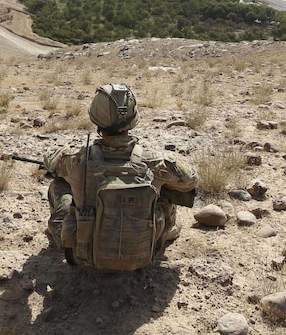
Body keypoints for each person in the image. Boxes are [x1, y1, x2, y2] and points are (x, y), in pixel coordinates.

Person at [44, 83, 198, 271]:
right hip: (145, 254)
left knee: (59, 183)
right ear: (133, 119)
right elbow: (191, 180)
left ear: (95, 117)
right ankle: (163, 233)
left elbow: (50, 162)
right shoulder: (157, 161)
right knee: (166, 191)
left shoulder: (74, 158)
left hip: (83, 256)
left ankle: (60, 232)